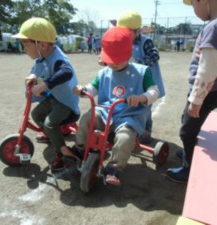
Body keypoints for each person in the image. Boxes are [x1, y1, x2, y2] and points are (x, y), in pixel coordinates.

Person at [61, 26, 159, 186]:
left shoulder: (142, 72)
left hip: (129, 115)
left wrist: (142, 97)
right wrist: (84, 90)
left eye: (117, 60)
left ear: (128, 54)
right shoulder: (104, 73)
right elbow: (93, 87)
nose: (112, 64)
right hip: (106, 112)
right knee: (88, 118)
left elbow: (154, 91)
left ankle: (114, 168)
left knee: (125, 138)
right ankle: (80, 149)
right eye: (110, 59)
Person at [166, 0, 217, 183]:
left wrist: (197, 98)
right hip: (213, 89)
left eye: (193, 5)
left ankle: (188, 170)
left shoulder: (215, 27)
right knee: (187, 122)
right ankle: (190, 153)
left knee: (186, 132)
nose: (194, 11)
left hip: (206, 91)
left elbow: (208, 68)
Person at [11, 17, 80, 173]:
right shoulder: (41, 57)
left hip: (65, 103)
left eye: (26, 45)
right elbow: (37, 70)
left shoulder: (58, 59)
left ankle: (63, 154)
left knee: (49, 124)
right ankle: (53, 135)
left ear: (41, 44)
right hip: (54, 98)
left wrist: (45, 84)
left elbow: (66, 72)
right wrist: (34, 77)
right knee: (36, 114)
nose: (24, 49)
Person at [116, 10, 166, 144]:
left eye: (126, 32)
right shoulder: (124, 42)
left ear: (137, 31)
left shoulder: (146, 41)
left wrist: (138, 63)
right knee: (130, 103)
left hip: (147, 82)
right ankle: (128, 127)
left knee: (146, 106)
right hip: (132, 81)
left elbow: (155, 56)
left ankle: (146, 130)